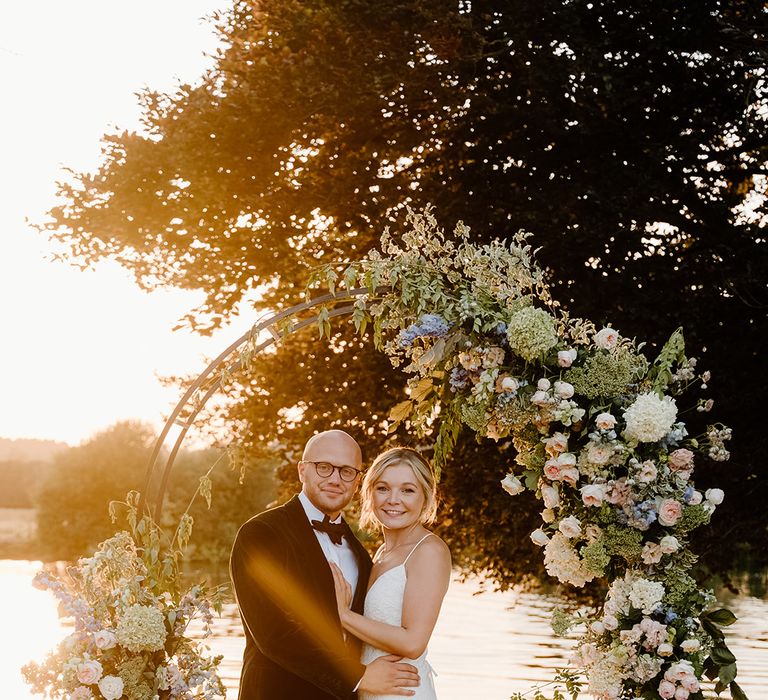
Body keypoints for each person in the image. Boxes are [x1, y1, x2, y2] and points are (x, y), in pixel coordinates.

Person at [230, 429, 421, 700]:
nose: (335, 479)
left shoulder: (360, 553)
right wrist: (358, 676)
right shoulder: (261, 533)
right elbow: (274, 632)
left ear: (357, 482)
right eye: (324, 468)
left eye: (346, 471)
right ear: (302, 471)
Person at [329, 447, 452, 700]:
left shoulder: (429, 551)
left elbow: (412, 643)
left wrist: (342, 615)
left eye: (407, 490)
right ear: (369, 493)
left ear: (426, 497)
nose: (393, 500)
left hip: (404, 693)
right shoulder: (381, 553)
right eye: (383, 488)